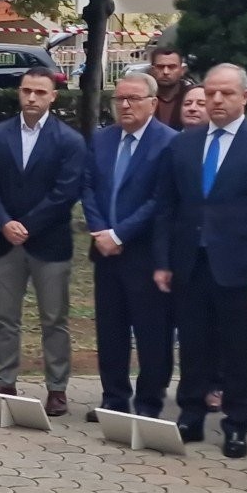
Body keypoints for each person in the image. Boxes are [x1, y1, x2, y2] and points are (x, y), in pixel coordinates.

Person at [154, 63, 247, 456]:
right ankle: (191, 413)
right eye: (211, 92)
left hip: (241, 268)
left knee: (239, 349)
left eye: (226, 93)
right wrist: (164, 261)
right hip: (190, 263)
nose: (216, 100)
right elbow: (167, 207)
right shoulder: (183, 144)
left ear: (244, 97)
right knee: (194, 344)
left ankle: (237, 422)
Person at [0, 66, 84, 413]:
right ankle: (4, 379)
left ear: (53, 96)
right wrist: (3, 223)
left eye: (40, 92)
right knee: (5, 316)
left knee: (54, 318)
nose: (32, 98)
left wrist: (27, 224)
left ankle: (57, 387)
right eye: (27, 91)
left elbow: (65, 193)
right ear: (19, 92)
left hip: (49, 243)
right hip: (4, 241)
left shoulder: (69, 140)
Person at [82, 73, 177, 420]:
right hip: (104, 251)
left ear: (153, 103)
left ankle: (149, 403)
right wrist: (100, 231)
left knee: (152, 331)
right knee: (111, 329)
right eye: (119, 98)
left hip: (145, 253)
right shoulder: (102, 139)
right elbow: (88, 187)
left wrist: (119, 234)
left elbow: (159, 200)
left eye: (133, 99)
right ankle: (114, 399)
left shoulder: (168, 142)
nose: (124, 105)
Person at [147, 47, 190, 129]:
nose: (165, 72)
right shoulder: (142, 97)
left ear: (182, 70)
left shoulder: (192, 96)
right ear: (152, 70)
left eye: (172, 67)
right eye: (160, 67)